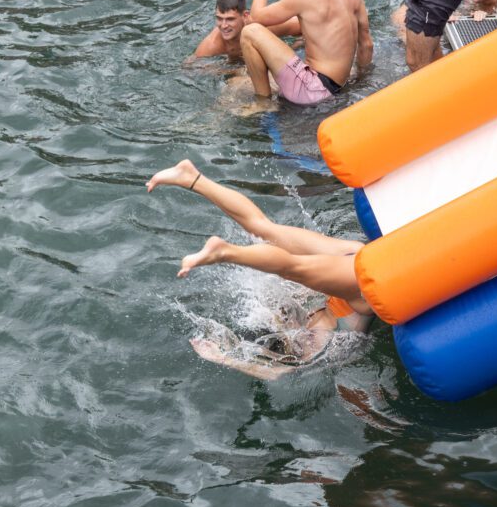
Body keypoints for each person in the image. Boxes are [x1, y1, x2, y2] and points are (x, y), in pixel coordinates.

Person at [146, 159, 375, 379]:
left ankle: (197, 186)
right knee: (281, 254)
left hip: (355, 267)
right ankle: (197, 190)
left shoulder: (309, 340)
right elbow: (274, 372)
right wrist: (224, 358)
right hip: (358, 277)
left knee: (268, 234)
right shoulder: (311, 344)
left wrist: (223, 358)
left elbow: (275, 371)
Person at [240, 0, 374, 106]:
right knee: (291, 25)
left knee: (250, 32)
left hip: (312, 90)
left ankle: (263, 103)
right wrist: (360, 81)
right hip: (338, 85)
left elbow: (256, 17)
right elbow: (367, 45)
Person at [191, 0, 302, 61]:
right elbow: (190, 69)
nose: (223, 26)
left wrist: (294, 47)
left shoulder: (262, 27)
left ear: (245, 16)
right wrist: (231, 70)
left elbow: (307, 26)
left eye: (230, 19)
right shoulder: (212, 44)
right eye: (219, 18)